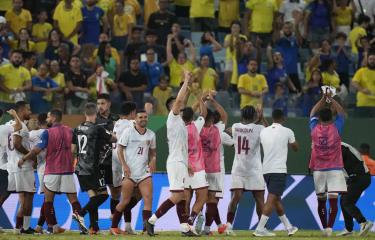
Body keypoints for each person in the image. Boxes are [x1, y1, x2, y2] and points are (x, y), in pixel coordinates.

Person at [18, 109, 88, 234]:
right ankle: (82, 227)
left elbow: (35, 151)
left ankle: (54, 227)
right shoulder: (70, 130)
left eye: (49, 117)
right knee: (74, 200)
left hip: (51, 171)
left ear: (54, 118)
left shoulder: (47, 133)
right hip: (67, 170)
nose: (47, 119)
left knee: (48, 200)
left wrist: (23, 158)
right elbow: (74, 150)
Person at [145, 71, 193, 236]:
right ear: (172, 108)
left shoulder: (179, 120)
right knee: (178, 195)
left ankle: (185, 228)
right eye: (176, 104)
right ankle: (151, 220)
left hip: (181, 162)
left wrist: (188, 86)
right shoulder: (172, 118)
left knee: (184, 195)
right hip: (175, 162)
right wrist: (186, 80)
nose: (179, 105)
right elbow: (180, 101)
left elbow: (183, 100)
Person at [221, 105, 267, 236]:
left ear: (242, 116)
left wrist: (231, 142)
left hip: (239, 169)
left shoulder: (235, 127)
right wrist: (262, 118)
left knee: (236, 198)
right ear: (254, 116)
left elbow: (227, 133)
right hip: (255, 170)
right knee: (259, 199)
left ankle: (229, 226)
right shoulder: (259, 128)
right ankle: (261, 228)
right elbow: (269, 132)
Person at [253, 109, 299, 237]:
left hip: (266, 170)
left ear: (272, 117)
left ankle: (289, 227)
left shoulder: (264, 131)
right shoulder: (288, 131)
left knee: (276, 199)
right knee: (272, 199)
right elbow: (296, 148)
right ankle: (260, 228)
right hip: (278, 170)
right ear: (283, 118)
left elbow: (270, 131)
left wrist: (262, 119)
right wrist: (293, 142)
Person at [110, 110, 156, 235]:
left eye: (145, 117)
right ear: (135, 119)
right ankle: (114, 226)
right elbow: (119, 149)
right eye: (140, 117)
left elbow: (153, 153)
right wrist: (124, 165)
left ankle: (147, 230)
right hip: (129, 172)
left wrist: (153, 160)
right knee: (124, 201)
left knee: (148, 199)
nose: (143, 119)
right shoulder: (128, 132)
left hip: (144, 172)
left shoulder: (151, 134)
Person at [73, 102, 116, 234]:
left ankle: (93, 228)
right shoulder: (97, 129)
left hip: (80, 168)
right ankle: (80, 213)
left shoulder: (77, 128)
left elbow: (72, 149)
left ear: (85, 113)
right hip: (93, 168)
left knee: (93, 198)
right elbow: (114, 139)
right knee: (103, 196)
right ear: (96, 113)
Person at [309, 90, 346, 237]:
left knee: (321, 200)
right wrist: (331, 98)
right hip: (335, 168)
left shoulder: (314, 128)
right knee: (333, 200)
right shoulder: (337, 127)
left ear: (319, 118)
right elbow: (342, 112)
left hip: (318, 169)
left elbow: (312, 113)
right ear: (332, 117)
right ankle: (330, 227)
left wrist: (323, 99)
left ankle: (324, 227)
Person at [201, 96, 234, 235]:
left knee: (205, 198)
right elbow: (224, 115)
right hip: (217, 169)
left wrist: (202, 101)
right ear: (215, 119)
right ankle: (208, 228)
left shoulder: (198, 128)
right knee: (214, 200)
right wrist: (213, 101)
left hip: (201, 168)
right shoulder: (219, 130)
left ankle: (217, 225)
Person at [111, 101, 141, 234]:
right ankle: (117, 217)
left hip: (114, 161)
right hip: (126, 161)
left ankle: (126, 225)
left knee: (120, 194)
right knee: (135, 194)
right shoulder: (131, 123)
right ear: (133, 113)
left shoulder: (117, 123)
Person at [6, 101, 34, 234]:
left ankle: (17, 229)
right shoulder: (21, 126)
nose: (30, 112)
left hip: (10, 166)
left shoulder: (8, 125)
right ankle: (26, 228)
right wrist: (30, 156)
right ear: (22, 111)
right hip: (22, 167)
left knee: (6, 195)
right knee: (28, 196)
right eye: (28, 109)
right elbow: (17, 144)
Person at [183, 95, 208, 235]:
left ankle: (186, 226)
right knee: (202, 196)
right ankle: (191, 222)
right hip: (197, 168)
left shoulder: (177, 129)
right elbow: (204, 113)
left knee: (186, 199)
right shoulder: (196, 125)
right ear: (192, 117)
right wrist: (201, 100)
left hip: (184, 168)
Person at [337, 142, 373, 237]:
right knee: (343, 200)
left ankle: (363, 222)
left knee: (347, 202)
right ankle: (349, 229)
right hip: (355, 177)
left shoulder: (340, 147)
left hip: (360, 177)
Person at [0, 109, 22, 230]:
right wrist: (15, 115)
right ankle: (21, 227)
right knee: (3, 195)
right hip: (2, 167)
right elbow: (18, 126)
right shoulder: (3, 128)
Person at [352, 52, 375, 117]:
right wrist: (362, 89)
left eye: (374, 59)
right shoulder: (361, 71)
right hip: (363, 103)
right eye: (370, 59)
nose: (372, 61)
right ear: (367, 60)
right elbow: (354, 82)